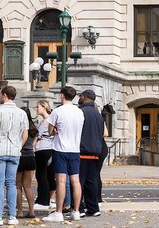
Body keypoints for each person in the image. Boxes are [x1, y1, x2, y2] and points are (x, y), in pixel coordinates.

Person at [0, 86, 29, 226]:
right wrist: (19, 146)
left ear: (4, 95)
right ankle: (12, 216)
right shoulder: (22, 113)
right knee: (12, 183)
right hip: (14, 151)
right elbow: (25, 134)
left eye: (0, 95)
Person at [43, 87, 85, 222]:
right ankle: (76, 211)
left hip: (60, 149)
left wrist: (54, 130)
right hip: (75, 149)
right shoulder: (79, 112)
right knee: (75, 181)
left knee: (60, 181)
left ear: (62, 95)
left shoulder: (57, 111)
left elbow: (50, 131)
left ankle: (59, 212)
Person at [77, 90, 106, 217]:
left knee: (79, 182)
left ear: (85, 97)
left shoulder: (81, 112)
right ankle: (93, 208)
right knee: (92, 181)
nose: (79, 98)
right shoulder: (98, 114)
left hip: (82, 151)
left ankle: (79, 208)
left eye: (81, 96)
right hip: (95, 152)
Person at [32, 100, 56, 210]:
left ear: (44, 107)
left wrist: (36, 141)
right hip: (43, 149)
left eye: (37, 107)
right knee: (44, 175)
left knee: (42, 175)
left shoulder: (48, 120)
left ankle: (44, 201)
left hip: (44, 149)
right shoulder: (45, 121)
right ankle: (44, 199)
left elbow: (39, 135)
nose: (36, 109)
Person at [16, 107, 37, 218]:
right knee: (28, 186)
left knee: (18, 186)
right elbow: (33, 144)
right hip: (30, 157)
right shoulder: (33, 128)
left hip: (20, 156)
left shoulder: (19, 126)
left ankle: (19, 212)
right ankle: (31, 211)